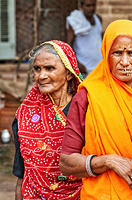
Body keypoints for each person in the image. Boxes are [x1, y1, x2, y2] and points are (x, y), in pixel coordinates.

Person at [59, 19, 132, 199]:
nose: (124, 62)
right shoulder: (88, 97)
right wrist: (109, 161)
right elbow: (66, 162)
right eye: (117, 53)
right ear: (106, 54)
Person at [12, 40, 83, 200]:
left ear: (69, 73)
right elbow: (22, 173)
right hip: (35, 195)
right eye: (37, 69)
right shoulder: (25, 114)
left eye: (50, 68)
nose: (41, 76)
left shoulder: (86, 108)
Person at [67, 0, 103, 77]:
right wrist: (76, 63)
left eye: (93, 5)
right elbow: (69, 44)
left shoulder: (98, 19)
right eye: (88, 6)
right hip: (84, 66)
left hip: (99, 65)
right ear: (81, 6)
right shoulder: (75, 21)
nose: (91, 8)